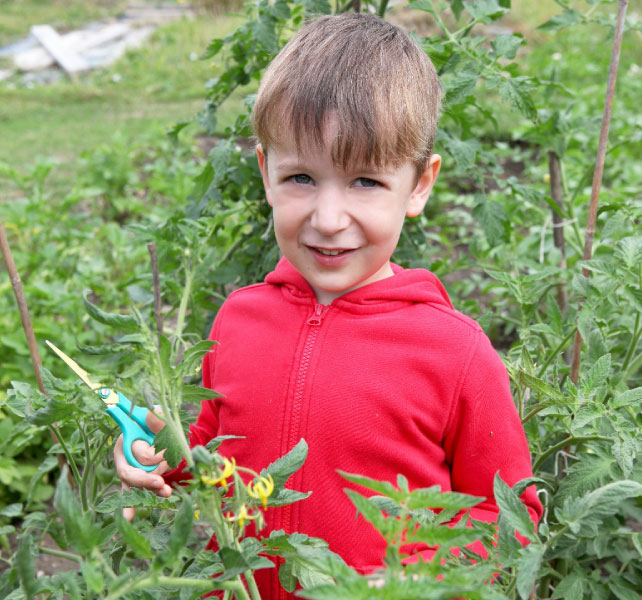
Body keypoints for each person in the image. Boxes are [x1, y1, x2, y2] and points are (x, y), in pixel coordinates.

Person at [115, 11, 542, 599]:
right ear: (265, 172)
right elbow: (216, 460)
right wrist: (160, 451)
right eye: (301, 178)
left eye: (366, 182)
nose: (329, 218)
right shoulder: (239, 320)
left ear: (419, 185)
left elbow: (511, 518)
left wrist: (416, 580)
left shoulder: (454, 352)